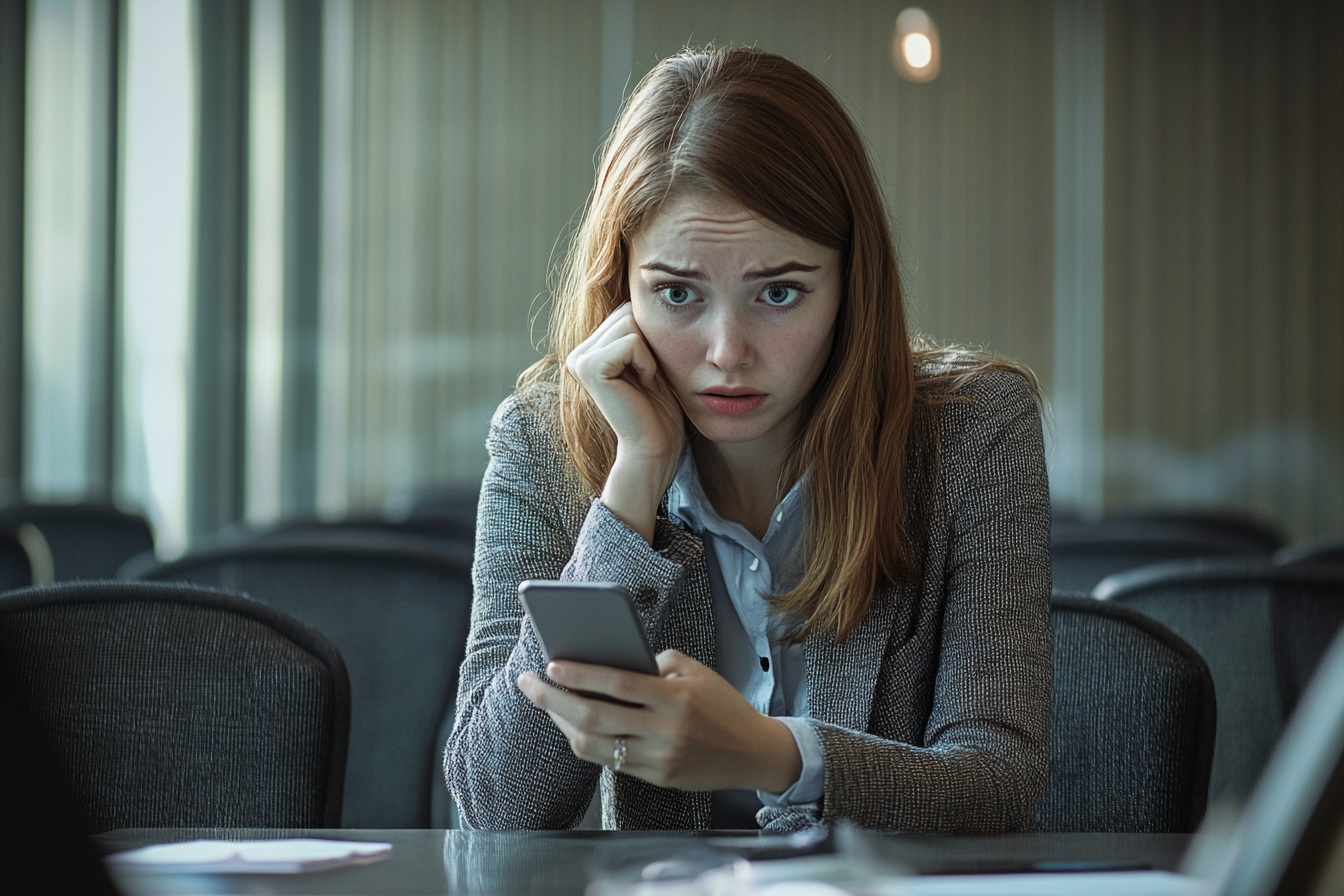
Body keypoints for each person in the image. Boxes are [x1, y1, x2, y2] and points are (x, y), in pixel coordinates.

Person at [446, 45, 1052, 833]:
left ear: (850, 286)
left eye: (779, 292)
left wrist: (771, 755)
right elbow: (498, 803)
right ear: (619, 289)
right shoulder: (542, 442)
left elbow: (998, 781)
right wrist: (633, 484)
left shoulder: (974, 433)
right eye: (676, 294)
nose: (728, 350)